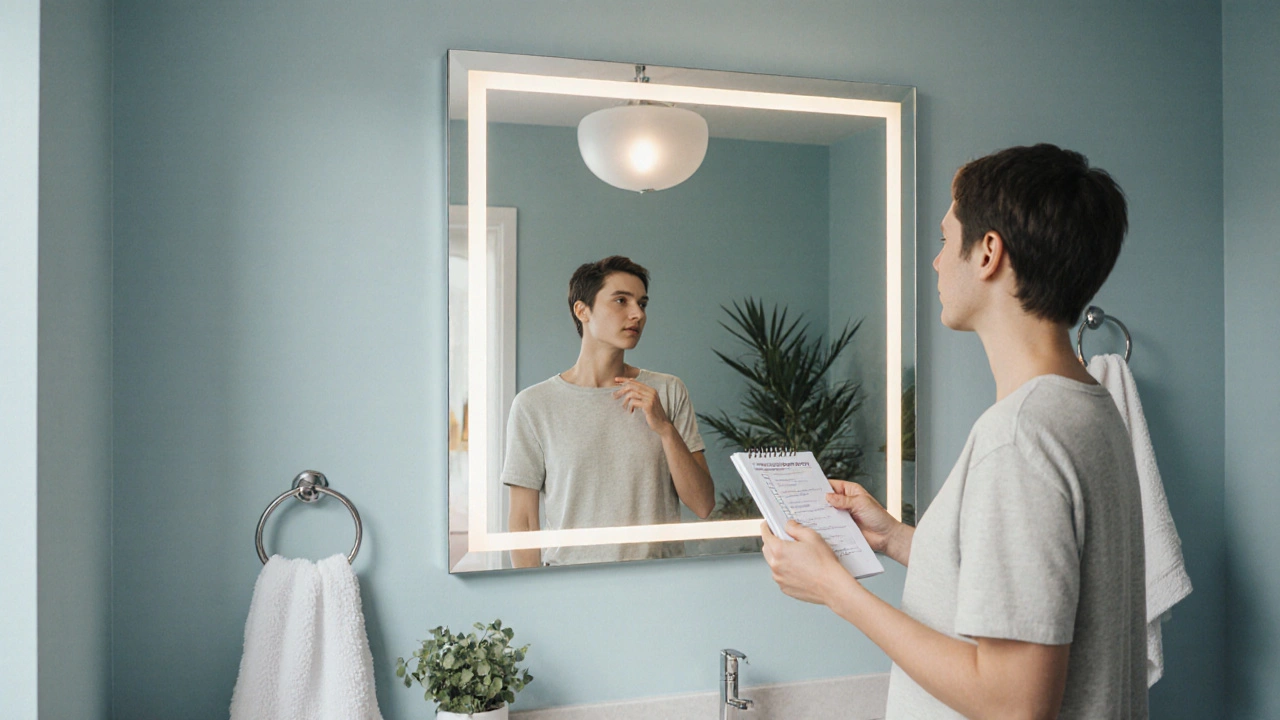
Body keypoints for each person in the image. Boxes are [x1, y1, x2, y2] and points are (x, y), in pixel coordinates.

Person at [762, 144, 1147, 718]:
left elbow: (1014, 701)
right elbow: (1034, 591)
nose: (938, 262)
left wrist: (839, 594)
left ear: (989, 251)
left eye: (945, 240)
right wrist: (893, 537)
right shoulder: (1089, 408)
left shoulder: (1020, 438)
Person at [502, 256, 716, 567]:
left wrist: (665, 429)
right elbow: (523, 522)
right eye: (621, 300)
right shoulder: (534, 405)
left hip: (659, 583)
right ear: (582, 310)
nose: (637, 314)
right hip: (569, 586)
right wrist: (534, 600)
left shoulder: (668, 391)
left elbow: (703, 504)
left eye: (642, 303)